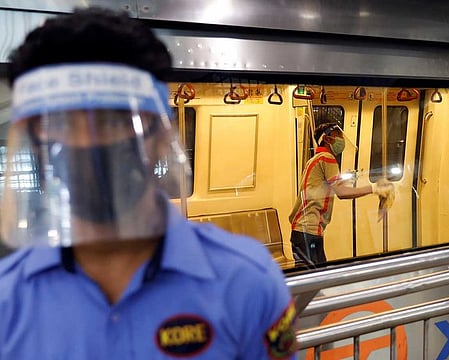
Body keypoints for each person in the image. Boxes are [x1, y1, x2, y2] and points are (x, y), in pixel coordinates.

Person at [0, 7, 298, 359]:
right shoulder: (8, 299)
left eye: (114, 121)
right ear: (34, 144)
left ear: (160, 137)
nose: (86, 142)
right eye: (60, 124)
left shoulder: (247, 281)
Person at [289, 123, 393, 266]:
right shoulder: (327, 158)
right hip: (308, 230)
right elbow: (342, 193)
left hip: (304, 229)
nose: (341, 140)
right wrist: (374, 188)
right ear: (327, 139)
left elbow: (321, 185)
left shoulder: (316, 159)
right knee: (315, 279)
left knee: (315, 277)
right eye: (338, 136)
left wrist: (345, 178)